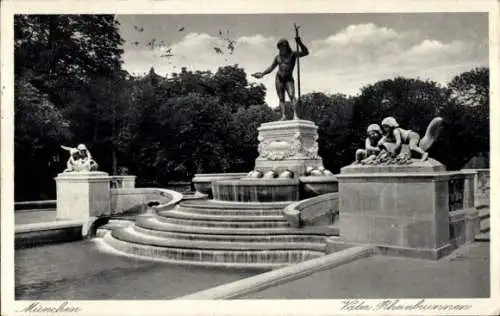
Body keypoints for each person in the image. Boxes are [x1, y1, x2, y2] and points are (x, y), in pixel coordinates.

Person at [252, 37, 309, 120]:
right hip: (279, 78)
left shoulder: (292, 54)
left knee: (291, 95)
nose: (282, 48)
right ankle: (283, 116)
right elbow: (271, 67)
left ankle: (295, 115)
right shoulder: (277, 57)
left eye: (283, 46)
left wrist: (299, 43)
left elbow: (306, 52)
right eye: (280, 47)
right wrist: (262, 74)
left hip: (288, 79)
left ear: (287, 46)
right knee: (281, 98)